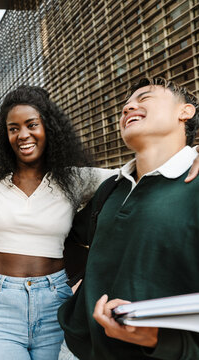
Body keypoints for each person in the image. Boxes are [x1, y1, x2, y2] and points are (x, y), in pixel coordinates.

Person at [0, 85, 120, 359]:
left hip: (55, 303)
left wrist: (192, 155)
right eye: (13, 128)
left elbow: (134, 174)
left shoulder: (74, 179)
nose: (23, 135)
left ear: (48, 127)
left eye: (31, 125)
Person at [57, 77, 199, 360]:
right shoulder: (111, 188)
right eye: (125, 105)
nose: (128, 107)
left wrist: (161, 341)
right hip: (77, 351)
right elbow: (67, 238)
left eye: (144, 98)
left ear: (185, 111)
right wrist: (77, 294)